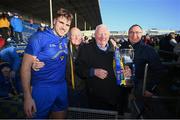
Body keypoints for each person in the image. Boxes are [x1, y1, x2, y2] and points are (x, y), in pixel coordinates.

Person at [20, 8, 73, 118]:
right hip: (42, 89)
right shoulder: (39, 38)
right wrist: (27, 97)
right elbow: (25, 68)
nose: (64, 27)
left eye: (67, 25)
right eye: (61, 22)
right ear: (54, 21)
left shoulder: (65, 39)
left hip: (61, 87)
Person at [75, 24, 131, 112]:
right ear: (95, 35)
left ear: (109, 36)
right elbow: (78, 69)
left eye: (105, 34)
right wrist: (93, 72)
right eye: (100, 34)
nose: (102, 37)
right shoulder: (86, 49)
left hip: (115, 98)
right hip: (95, 99)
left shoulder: (117, 50)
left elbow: (124, 70)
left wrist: (127, 72)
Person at [122, 24, 164, 117]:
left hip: (139, 88)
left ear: (142, 34)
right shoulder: (121, 47)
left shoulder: (148, 50)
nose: (134, 35)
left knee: (137, 112)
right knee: (123, 111)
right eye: (131, 32)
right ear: (128, 34)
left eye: (137, 32)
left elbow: (159, 70)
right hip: (122, 87)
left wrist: (150, 88)